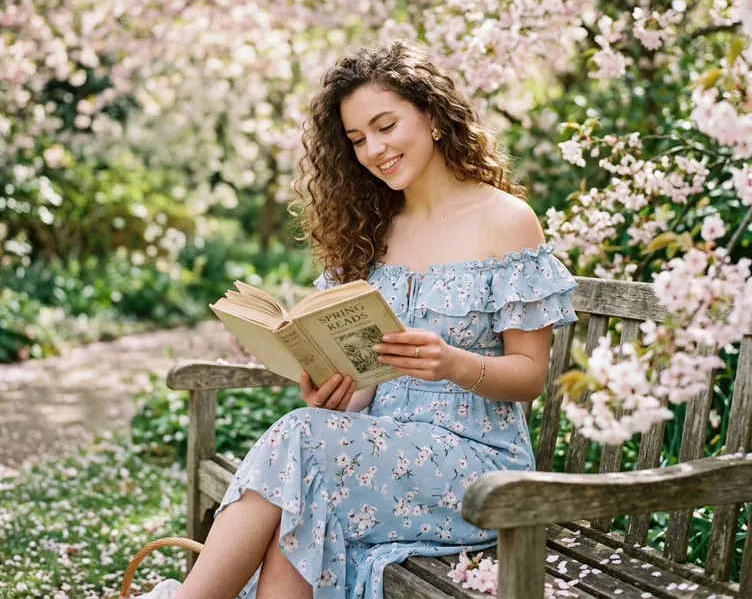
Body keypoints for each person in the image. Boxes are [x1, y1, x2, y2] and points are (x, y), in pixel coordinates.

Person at [174, 40, 579, 599]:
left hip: (478, 469)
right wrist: (338, 393)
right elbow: (368, 379)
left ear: (434, 116)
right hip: (377, 453)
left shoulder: (505, 221)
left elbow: (531, 374)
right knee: (303, 494)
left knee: (300, 450)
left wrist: (454, 364)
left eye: (386, 126)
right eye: (358, 139)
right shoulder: (371, 228)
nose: (374, 150)